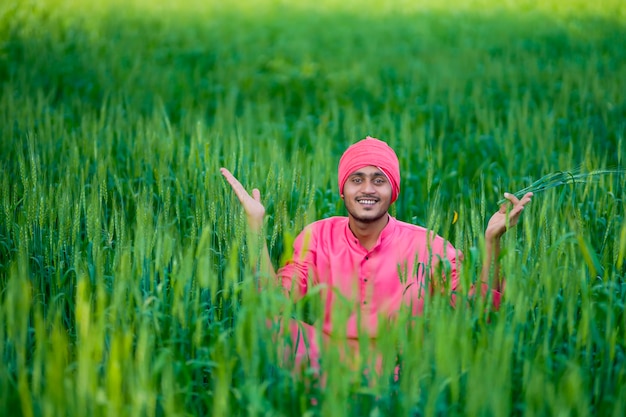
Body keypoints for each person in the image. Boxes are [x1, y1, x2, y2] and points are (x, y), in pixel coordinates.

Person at [220, 136, 533, 375]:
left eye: (378, 180)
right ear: (343, 190)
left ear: (392, 191)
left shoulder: (427, 245)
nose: (367, 189)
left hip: (400, 369)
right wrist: (255, 227)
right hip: (328, 361)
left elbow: (478, 307)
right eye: (357, 179)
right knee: (271, 327)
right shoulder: (318, 236)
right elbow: (273, 302)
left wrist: (492, 242)